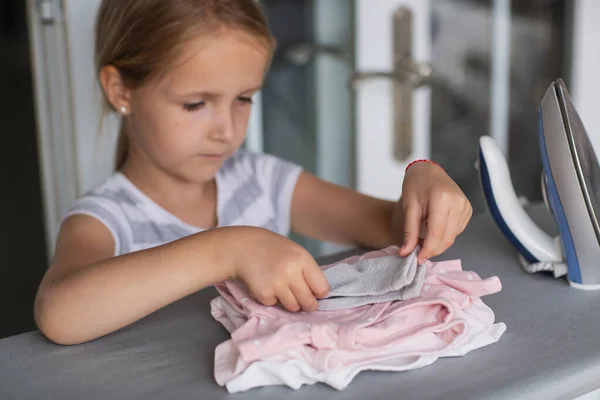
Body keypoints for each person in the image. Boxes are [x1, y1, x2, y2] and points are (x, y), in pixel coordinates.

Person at [34, 0, 473, 346]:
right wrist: (227, 250)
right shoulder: (107, 217)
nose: (227, 131)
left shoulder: (262, 181)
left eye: (243, 98)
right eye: (194, 104)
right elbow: (58, 314)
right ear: (120, 90)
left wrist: (424, 175)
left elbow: (390, 227)